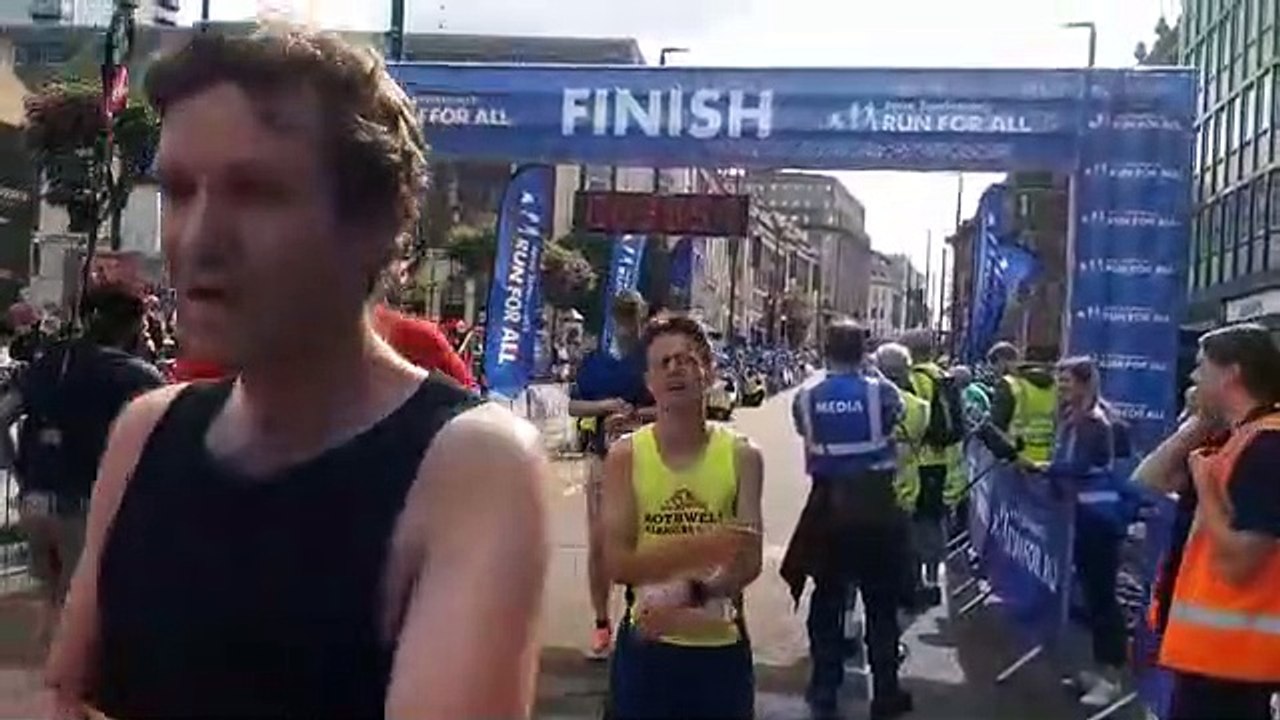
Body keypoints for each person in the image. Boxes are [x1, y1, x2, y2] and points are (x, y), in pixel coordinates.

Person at [43, 28, 550, 720]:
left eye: (255, 192)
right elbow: (63, 694)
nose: (197, 238)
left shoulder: (472, 466)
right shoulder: (147, 429)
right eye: (180, 191)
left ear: (373, 223)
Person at [601, 315, 763, 720]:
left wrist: (694, 592)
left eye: (686, 360)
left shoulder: (743, 455)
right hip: (647, 649)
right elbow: (619, 562)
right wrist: (708, 550)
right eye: (663, 363)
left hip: (718, 650)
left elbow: (748, 560)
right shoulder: (626, 456)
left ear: (708, 371)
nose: (675, 370)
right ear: (649, 382)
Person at [0, 286, 165, 650]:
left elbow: (3, 414)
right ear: (131, 326)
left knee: (55, 605)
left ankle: (50, 684)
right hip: (89, 505)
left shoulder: (48, 362)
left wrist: (18, 470)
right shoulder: (138, 376)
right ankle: (64, 693)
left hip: (35, 500)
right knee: (85, 618)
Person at [781, 319, 913, 720]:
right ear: (864, 350)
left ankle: (824, 687)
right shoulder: (882, 392)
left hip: (827, 506)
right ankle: (886, 693)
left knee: (828, 599)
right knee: (881, 603)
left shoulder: (806, 394)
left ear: (825, 348)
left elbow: (803, 427)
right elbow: (897, 419)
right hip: (875, 505)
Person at [1151, 324, 1280, 720]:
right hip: (1213, 658)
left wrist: (1206, 488)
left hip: (1237, 664)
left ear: (1232, 374)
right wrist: (1199, 423)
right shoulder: (1235, 436)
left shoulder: (1269, 446)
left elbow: (1238, 566)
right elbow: (1149, 481)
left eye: (1201, 366)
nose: (1192, 378)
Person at [568, 290, 654, 658]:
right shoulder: (595, 362)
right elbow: (573, 404)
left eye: (631, 316)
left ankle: (638, 617)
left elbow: (668, 405)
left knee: (643, 540)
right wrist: (605, 406)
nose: (626, 324)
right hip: (604, 462)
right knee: (600, 546)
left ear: (642, 317)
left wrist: (635, 414)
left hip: (647, 461)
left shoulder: (651, 360)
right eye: (621, 316)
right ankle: (602, 625)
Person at [1043, 357, 1129, 706]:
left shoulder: (1095, 421)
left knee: (1103, 598)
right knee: (1092, 598)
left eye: (1066, 381)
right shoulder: (1072, 418)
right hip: (1080, 517)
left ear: (1083, 383)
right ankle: (1098, 669)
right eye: (1059, 380)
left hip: (1099, 521)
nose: (1061, 387)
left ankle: (1112, 678)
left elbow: (1080, 467)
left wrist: (1047, 468)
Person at [987, 342, 1057, 465]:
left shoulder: (1008, 385)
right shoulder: (1053, 384)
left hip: (1017, 461)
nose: (994, 373)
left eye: (994, 367)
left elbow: (996, 428)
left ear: (1002, 361)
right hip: (1048, 460)